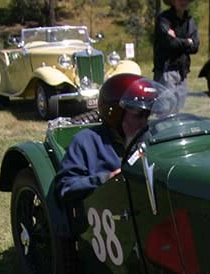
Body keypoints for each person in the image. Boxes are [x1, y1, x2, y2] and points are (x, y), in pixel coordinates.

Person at [55, 74, 161, 202]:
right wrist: (106, 179)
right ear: (116, 115)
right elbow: (65, 187)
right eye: (138, 115)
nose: (144, 122)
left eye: (147, 115)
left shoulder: (153, 138)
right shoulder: (86, 142)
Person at [153, 0, 199, 113]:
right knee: (165, 110)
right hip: (167, 71)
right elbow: (169, 43)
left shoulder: (190, 21)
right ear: (173, 1)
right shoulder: (163, 19)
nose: (183, 2)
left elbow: (195, 46)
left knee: (178, 110)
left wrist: (178, 40)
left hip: (183, 72)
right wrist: (188, 42)